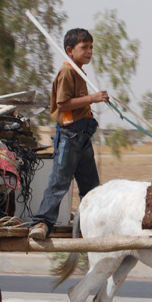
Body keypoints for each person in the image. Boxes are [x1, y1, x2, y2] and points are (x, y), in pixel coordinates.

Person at [29, 28, 109, 241]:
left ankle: (90, 224)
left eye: (91, 47)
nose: (89, 51)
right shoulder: (67, 72)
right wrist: (92, 98)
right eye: (84, 47)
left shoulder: (79, 71)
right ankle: (42, 223)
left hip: (83, 136)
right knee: (59, 182)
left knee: (90, 186)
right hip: (70, 136)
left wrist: (95, 99)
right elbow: (62, 103)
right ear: (69, 50)